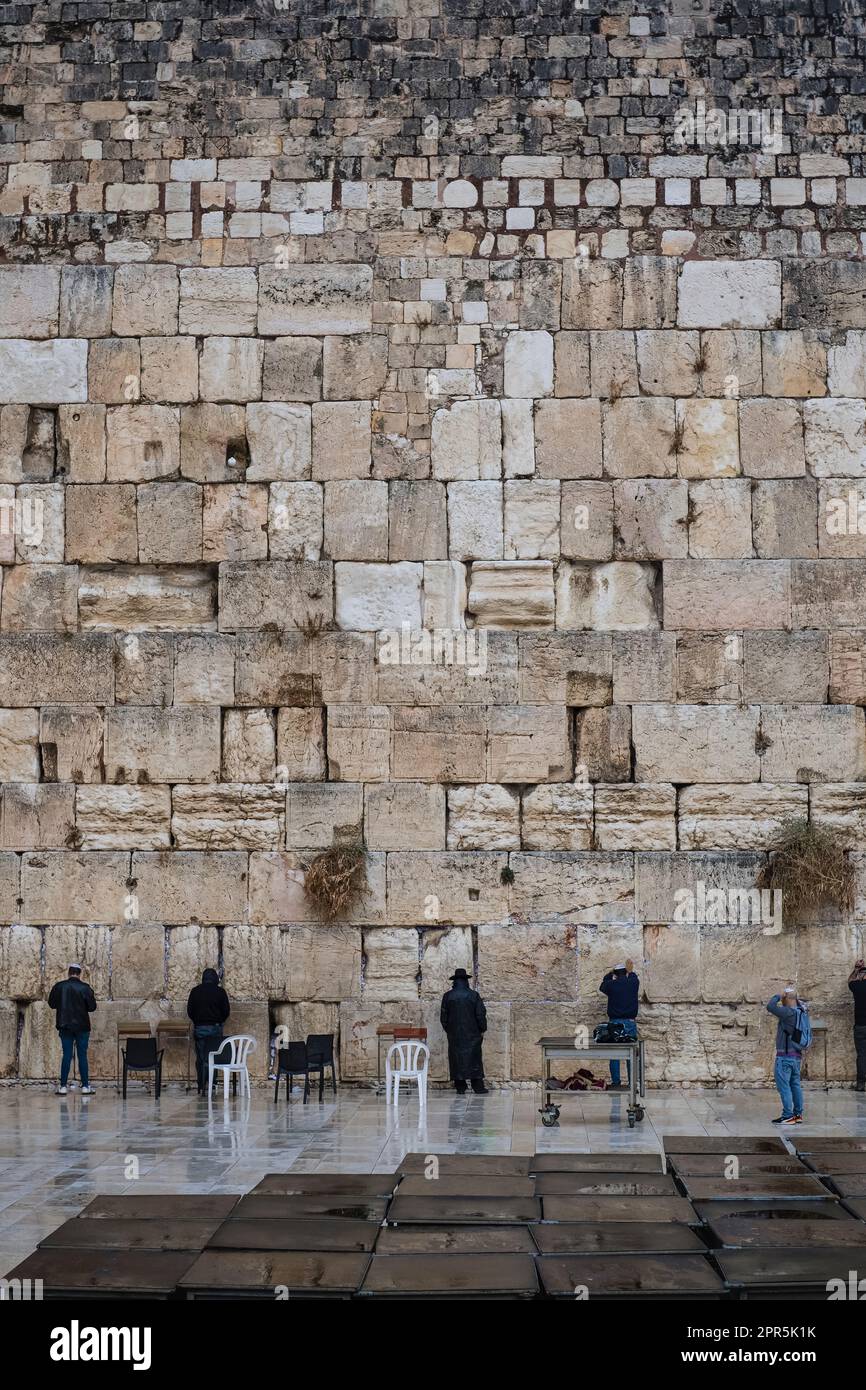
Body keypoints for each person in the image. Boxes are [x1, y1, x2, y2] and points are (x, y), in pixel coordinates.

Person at [48, 963, 97, 1096]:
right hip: (82, 1027)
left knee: (67, 1055)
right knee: (82, 1056)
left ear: (69, 972)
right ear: (79, 973)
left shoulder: (59, 986)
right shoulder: (85, 988)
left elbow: (51, 1004)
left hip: (65, 1026)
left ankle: (63, 1086)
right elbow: (92, 1007)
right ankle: (86, 1086)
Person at [440, 968, 488, 1095]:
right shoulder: (473, 995)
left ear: (454, 981)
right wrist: (482, 1029)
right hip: (473, 1034)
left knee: (456, 1059)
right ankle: (478, 1086)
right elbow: (480, 1014)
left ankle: (460, 1087)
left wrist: (449, 1030)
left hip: (454, 1035)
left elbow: (443, 1018)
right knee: (474, 1058)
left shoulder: (447, 996)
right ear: (466, 981)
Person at [187, 968, 230, 1095]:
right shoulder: (220, 992)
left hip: (200, 1028)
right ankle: (212, 1084)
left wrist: (198, 1022)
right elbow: (226, 1011)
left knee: (201, 1058)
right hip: (215, 1029)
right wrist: (219, 1021)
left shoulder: (195, 992)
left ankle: (201, 1085)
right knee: (214, 1057)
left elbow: (190, 1011)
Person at [767, 985, 807, 1124]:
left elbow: (770, 1007)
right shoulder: (801, 1011)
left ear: (787, 998)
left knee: (784, 1086)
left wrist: (778, 995)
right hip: (796, 1056)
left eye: (784, 999)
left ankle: (788, 1115)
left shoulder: (788, 1012)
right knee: (795, 1085)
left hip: (785, 1057)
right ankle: (798, 1114)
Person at [599, 959, 639, 1088]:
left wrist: (611, 973)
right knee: (631, 1053)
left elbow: (603, 984)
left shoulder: (611, 984)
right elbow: (633, 976)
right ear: (626, 973)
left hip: (615, 1022)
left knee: (615, 1055)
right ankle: (632, 1083)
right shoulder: (633, 982)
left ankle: (616, 1083)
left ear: (615, 974)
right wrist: (630, 971)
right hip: (630, 1022)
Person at [848, 959, 866, 1092]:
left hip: (860, 1026)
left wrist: (856, 969)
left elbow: (850, 981)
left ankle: (860, 1084)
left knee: (861, 1055)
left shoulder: (857, 987)